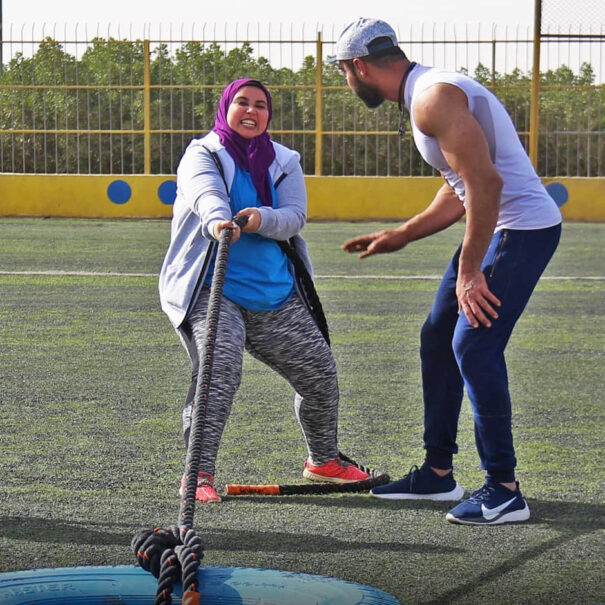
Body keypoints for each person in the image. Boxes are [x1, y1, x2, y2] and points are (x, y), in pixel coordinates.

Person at [334, 18, 562, 524]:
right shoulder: (427, 92)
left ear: (359, 67)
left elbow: (485, 185)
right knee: (439, 336)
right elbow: (458, 186)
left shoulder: (432, 98)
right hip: (502, 224)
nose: (347, 82)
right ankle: (438, 473)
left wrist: (470, 270)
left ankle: (504, 489)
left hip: (522, 229)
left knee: (474, 346)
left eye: (343, 73)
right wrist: (402, 234)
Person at [158, 78, 372, 502]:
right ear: (226, 108)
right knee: (218, 371)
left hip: (274, 293)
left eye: (260, 105)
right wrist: (219, 221)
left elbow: (294, 215)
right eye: (242, 102)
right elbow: (205, 194)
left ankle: (324, 461)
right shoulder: (203, 153)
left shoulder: (285, 160)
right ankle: (198, 473)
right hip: (212, 288)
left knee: (319, 373)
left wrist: (261, 219)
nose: (251, 111)